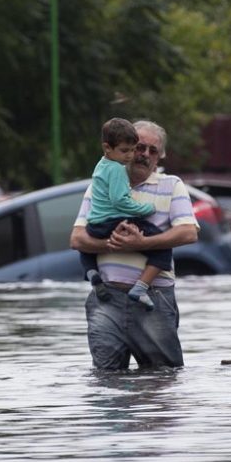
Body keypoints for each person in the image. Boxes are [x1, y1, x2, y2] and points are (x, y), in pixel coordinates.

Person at [70, 120, 199, 370]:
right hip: (106, 298)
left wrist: (142, 243)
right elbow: (77, 239)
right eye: (139, 147)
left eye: (153, 150)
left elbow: (188, 233)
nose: (144, 155)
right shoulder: (100, 184)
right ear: (124, 148)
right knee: (106, 378)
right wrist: (114, 244)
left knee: (162, 376)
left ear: (160, 157)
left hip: (154, 299)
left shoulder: (172, 185)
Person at [80, 118, 171, 311]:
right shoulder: (118, 169)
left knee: (86, 248)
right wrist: (146, 209)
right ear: (107, 148)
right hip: (114, 222)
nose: (130, 156)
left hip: (95, 224)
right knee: (164, 248)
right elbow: (120, 201)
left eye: (132, 150)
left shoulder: (101, 165)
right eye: (126, 150)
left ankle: (92, 274)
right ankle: (141, 288)